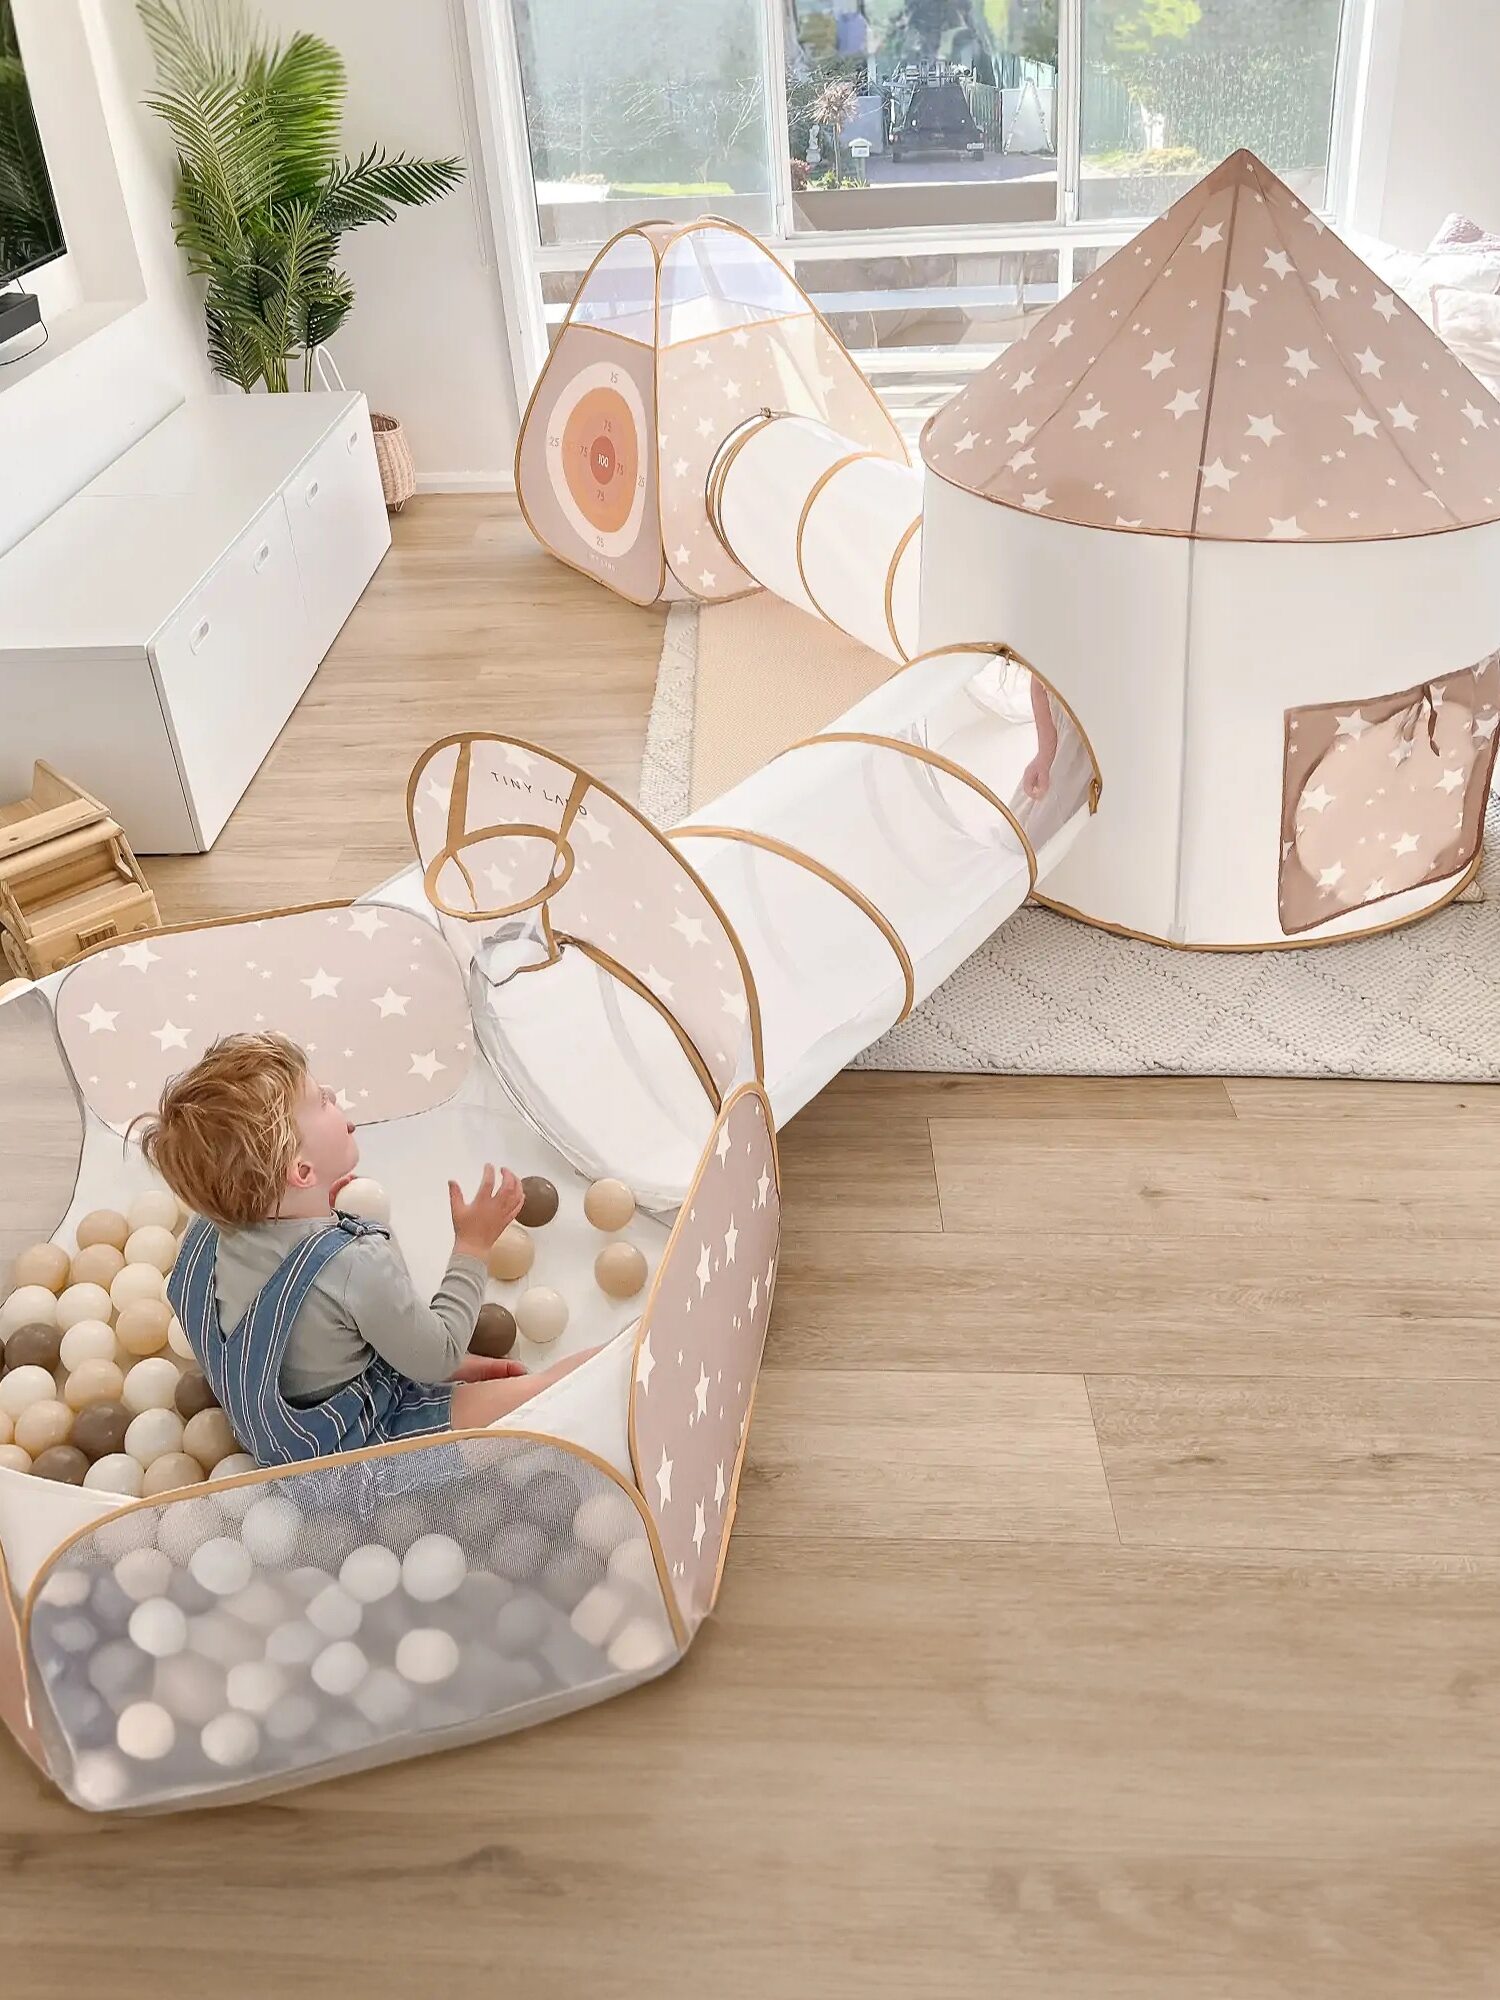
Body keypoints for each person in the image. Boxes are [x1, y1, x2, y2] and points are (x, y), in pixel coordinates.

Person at [133, 1032, 592, 1467]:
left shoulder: (207, 1230)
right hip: (345, 1454)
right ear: (303, 1172)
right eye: (321, 1101)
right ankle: (639, 1360)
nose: (332, 1093)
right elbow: (442, 1354)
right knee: (548, 1394)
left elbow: (304, 1323)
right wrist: (473, 1245)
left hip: (276, 1419)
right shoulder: (353, 1264)